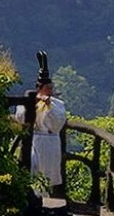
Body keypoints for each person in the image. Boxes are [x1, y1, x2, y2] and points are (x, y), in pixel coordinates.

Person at [31, 51, 66, 193]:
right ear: (39, 89)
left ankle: (47, 195)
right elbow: (21, 118)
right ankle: (35, 196)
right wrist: (33, 104)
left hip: (50, 141)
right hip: (35, 139)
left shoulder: (58, 104)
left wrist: (49, 106)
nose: (50, 91)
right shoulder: (30, 102)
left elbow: (58, 123)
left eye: (51, 88)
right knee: (33, 168)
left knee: (49, 173)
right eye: (48, 88)